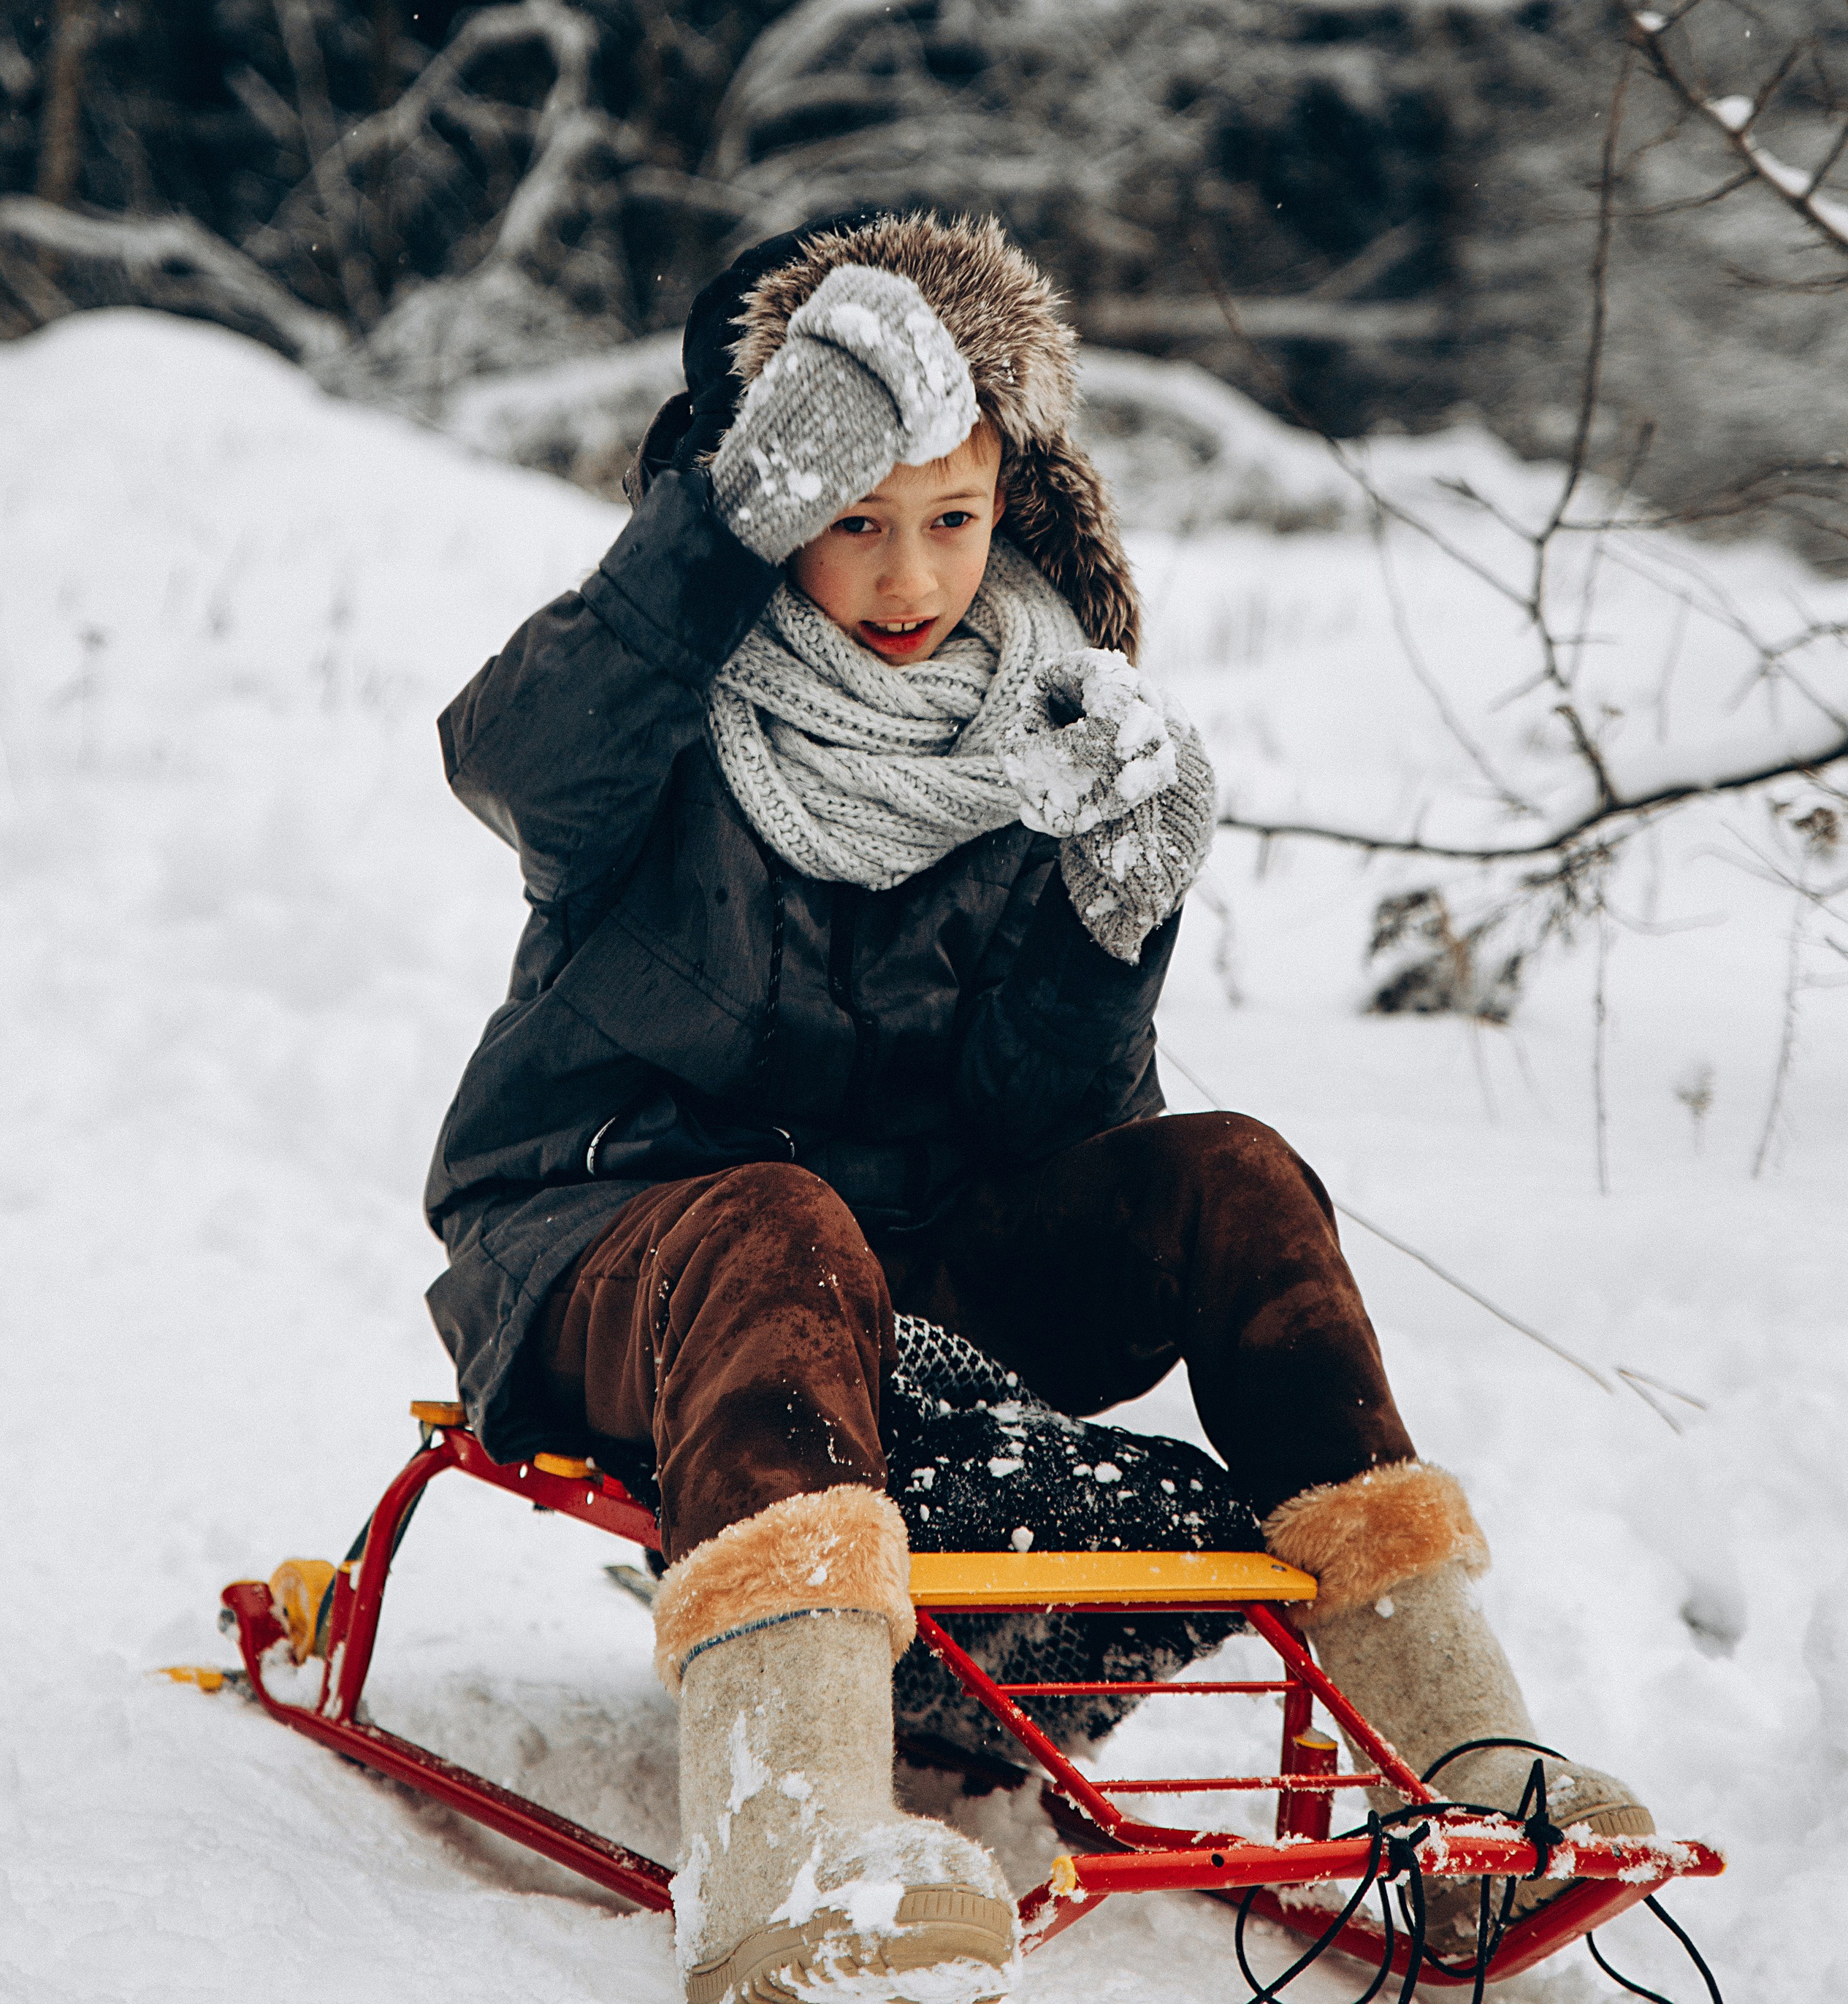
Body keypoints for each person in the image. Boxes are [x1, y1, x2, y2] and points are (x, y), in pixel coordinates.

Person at [423, 212, 1648, 2004]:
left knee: (1235, 1176)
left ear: (1016, 499)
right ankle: (792, 1844)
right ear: (776, 504)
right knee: (779, 1221)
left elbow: (1049, 1136)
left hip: (913, 1273)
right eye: (852, 519)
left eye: (952, 515)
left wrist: (1104, 920)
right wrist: (715, 529)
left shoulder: (1038, 726)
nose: (907, 574)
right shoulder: (661, 715)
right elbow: (504, 757)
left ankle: (1460, 1758)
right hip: (617, 1254)